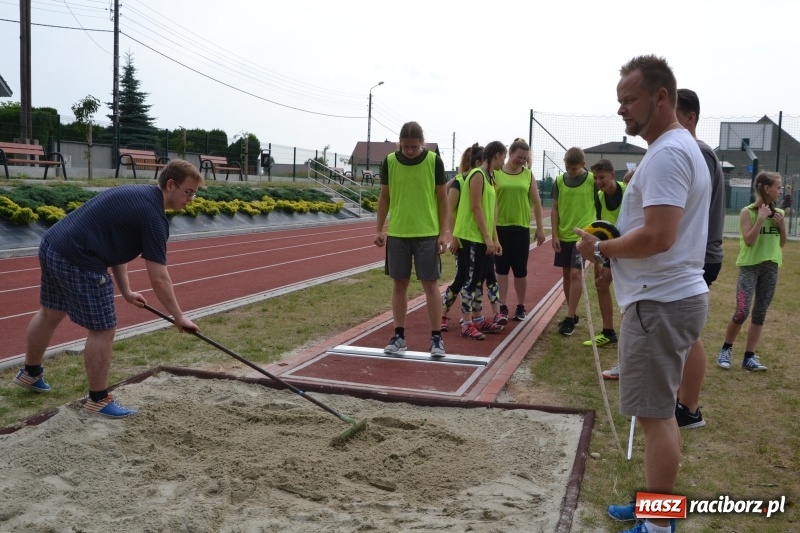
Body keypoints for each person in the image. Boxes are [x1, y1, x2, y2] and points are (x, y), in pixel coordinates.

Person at [575, 54, 710, 533]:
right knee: (657, 413)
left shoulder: (671, 153)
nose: (621, 110)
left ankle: (657, 524)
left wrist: (600, 248)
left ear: (661, 97)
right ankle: (655, 507)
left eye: (629, 100)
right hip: (665, 295)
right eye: (619, 101)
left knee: (655, 417)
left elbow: (658, 236)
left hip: (661, 299)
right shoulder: (673, 148)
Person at [13, 159, 203, 418]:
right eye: (188, 192)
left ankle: (30, 373)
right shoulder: (153, 218)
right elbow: (159, 277)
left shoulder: (140, 195)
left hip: (53, 244)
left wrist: (125, 291)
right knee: (103, 328)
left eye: (194, 194)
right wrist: (178, 316)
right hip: (78, 257)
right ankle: (98, 399)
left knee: (51, 312)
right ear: (171, 185)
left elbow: (116, 247)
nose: (191, 199)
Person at [673, 88, 727, 429]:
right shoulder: (690, 151)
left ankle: (689, 409)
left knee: (685, 331)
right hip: (695, 254)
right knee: (681, 330)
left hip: (700, 256)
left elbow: (691, 210)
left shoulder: (698, 153)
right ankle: (682, 399)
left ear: (690, 117)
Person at [375, 121, 448, 357]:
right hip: (398, 233)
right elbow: (385, 196)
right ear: (399, 143)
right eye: (405, 146)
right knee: (399, 284)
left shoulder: (433, 161)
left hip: (427, 232)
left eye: (414, 147)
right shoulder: (389, 161)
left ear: (422, 143)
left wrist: (442, 233)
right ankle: (399, 336)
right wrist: (379, 229)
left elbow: (442, 198)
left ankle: (436, 338)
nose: (409, 150)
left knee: (430, 285)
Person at [717, 171, 786, 372]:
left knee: (760, 312)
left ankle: (749, 356)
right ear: (767, 188)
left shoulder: (779, 214)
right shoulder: (748, 212)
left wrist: (781, 228)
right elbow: (749, 240)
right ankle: (726, 349)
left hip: (771, 267)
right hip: (749, 267)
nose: (780, 191)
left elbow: (780, 244)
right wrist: (761, 219)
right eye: (778, 187)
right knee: (741, 311)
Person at [441, 144, 504, 337]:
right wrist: (486, 237)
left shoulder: (489, 178)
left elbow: (490, 212)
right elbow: (476, 207)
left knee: (479, 280)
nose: (504, 162)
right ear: (497, 155)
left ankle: (477, 319)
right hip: (471, 236)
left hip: (482, 237)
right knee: (469, 280)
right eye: (504, 157)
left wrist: (494, 238)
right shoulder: (477, 174)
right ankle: (466, 323)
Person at [494, 138, 546, 322]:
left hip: (521, 228)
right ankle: (502, 306)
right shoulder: (496, 173)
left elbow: (536, 202)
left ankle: (521, 306)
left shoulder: (527, 175)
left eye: (525, 158)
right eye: (519, 157)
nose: (521, 161)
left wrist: (540, 228)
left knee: (520, 270)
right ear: (510, 154)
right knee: (501, 270)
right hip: (500, 228)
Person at [582, 160, 625, 366]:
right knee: (600, 284)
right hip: (610, 247)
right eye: (596, 178)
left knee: (627, 292)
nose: (599, 181)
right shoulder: (599, 198)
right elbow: (599, 229)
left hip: (629, 246)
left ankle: (629, 336)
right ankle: (608, 332)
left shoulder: (627, 192)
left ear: (612, 175)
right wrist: (597, 260)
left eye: (602, 177)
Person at [551, 146, 595, 336]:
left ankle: (569, 318)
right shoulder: (559, 181)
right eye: (568, 168)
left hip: (582, 236)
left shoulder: (592, 180)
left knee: (577, 274)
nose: (570, 172)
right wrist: (554, 234)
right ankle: (573, 312)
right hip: (563, 235)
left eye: (574, 169)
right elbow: (555, 209)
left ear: (583, 165)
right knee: (567, 274)